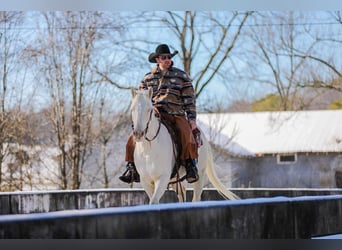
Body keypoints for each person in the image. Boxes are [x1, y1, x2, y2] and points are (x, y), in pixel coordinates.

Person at [119, 44, 199, 184]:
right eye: (164, 57)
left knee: (186, 133)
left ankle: (190, 164)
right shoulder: (147, 78)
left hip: (175, 114)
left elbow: (189, 100)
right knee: (132, 138)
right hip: (153, 115)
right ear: (157, 59)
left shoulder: (181, 76)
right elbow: (140, 99)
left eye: (169, 57)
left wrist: (191, 119)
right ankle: (131, 167)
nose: (167, 59)